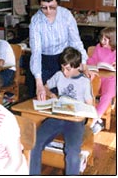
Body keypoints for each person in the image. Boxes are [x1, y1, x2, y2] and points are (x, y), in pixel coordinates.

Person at [30, 47, 94, 175]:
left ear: (77, 67)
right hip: (56, 117)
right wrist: (50, 94)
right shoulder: (59, 75)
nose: (64, 72)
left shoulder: (84, 82)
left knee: (72, 152)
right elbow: (45, 87)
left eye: (68, 69)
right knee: (34, 143)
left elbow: (90, 106)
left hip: (74, 121)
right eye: (62, 67)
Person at [29, 0, 89, 100]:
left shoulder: (66, 15)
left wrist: (84, 65)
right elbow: (36, 52)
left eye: (52, 7)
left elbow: (75, 42)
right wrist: (39, 83)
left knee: (65, 95)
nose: (48, 11)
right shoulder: (36, 21)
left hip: (64, 59)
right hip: (43, 61)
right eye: (43, 7)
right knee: (42, 96)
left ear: (58, 3)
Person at [87, 27, 116, 134]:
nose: (102, 41)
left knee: (107, 94)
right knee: (86, 89)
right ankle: (96, 120)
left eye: (105, 39)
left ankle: (95, 119)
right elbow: (93, 60)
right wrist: (90, 65)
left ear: (112, 40)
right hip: (98, 74)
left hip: (111, 76)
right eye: (101, 38)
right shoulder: (98, 47)